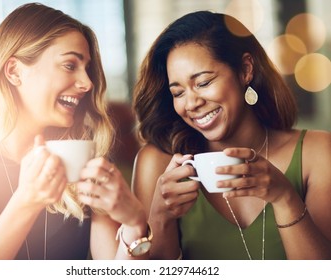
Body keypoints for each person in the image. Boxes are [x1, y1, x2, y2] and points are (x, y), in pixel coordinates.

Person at [0, 3, 151, 260]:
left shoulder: (85, 158)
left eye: (87, 69)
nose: (87, 83)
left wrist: (134, 224)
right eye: (70, 65)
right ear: (14, 71)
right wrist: (27, 201)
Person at [132, 10, 331, 259]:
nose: (191, 103)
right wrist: (160, 218)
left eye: (203, 83)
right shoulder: (158, 165)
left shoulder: (317, 152)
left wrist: (285, 198)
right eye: (178, 92)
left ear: (245, 70)